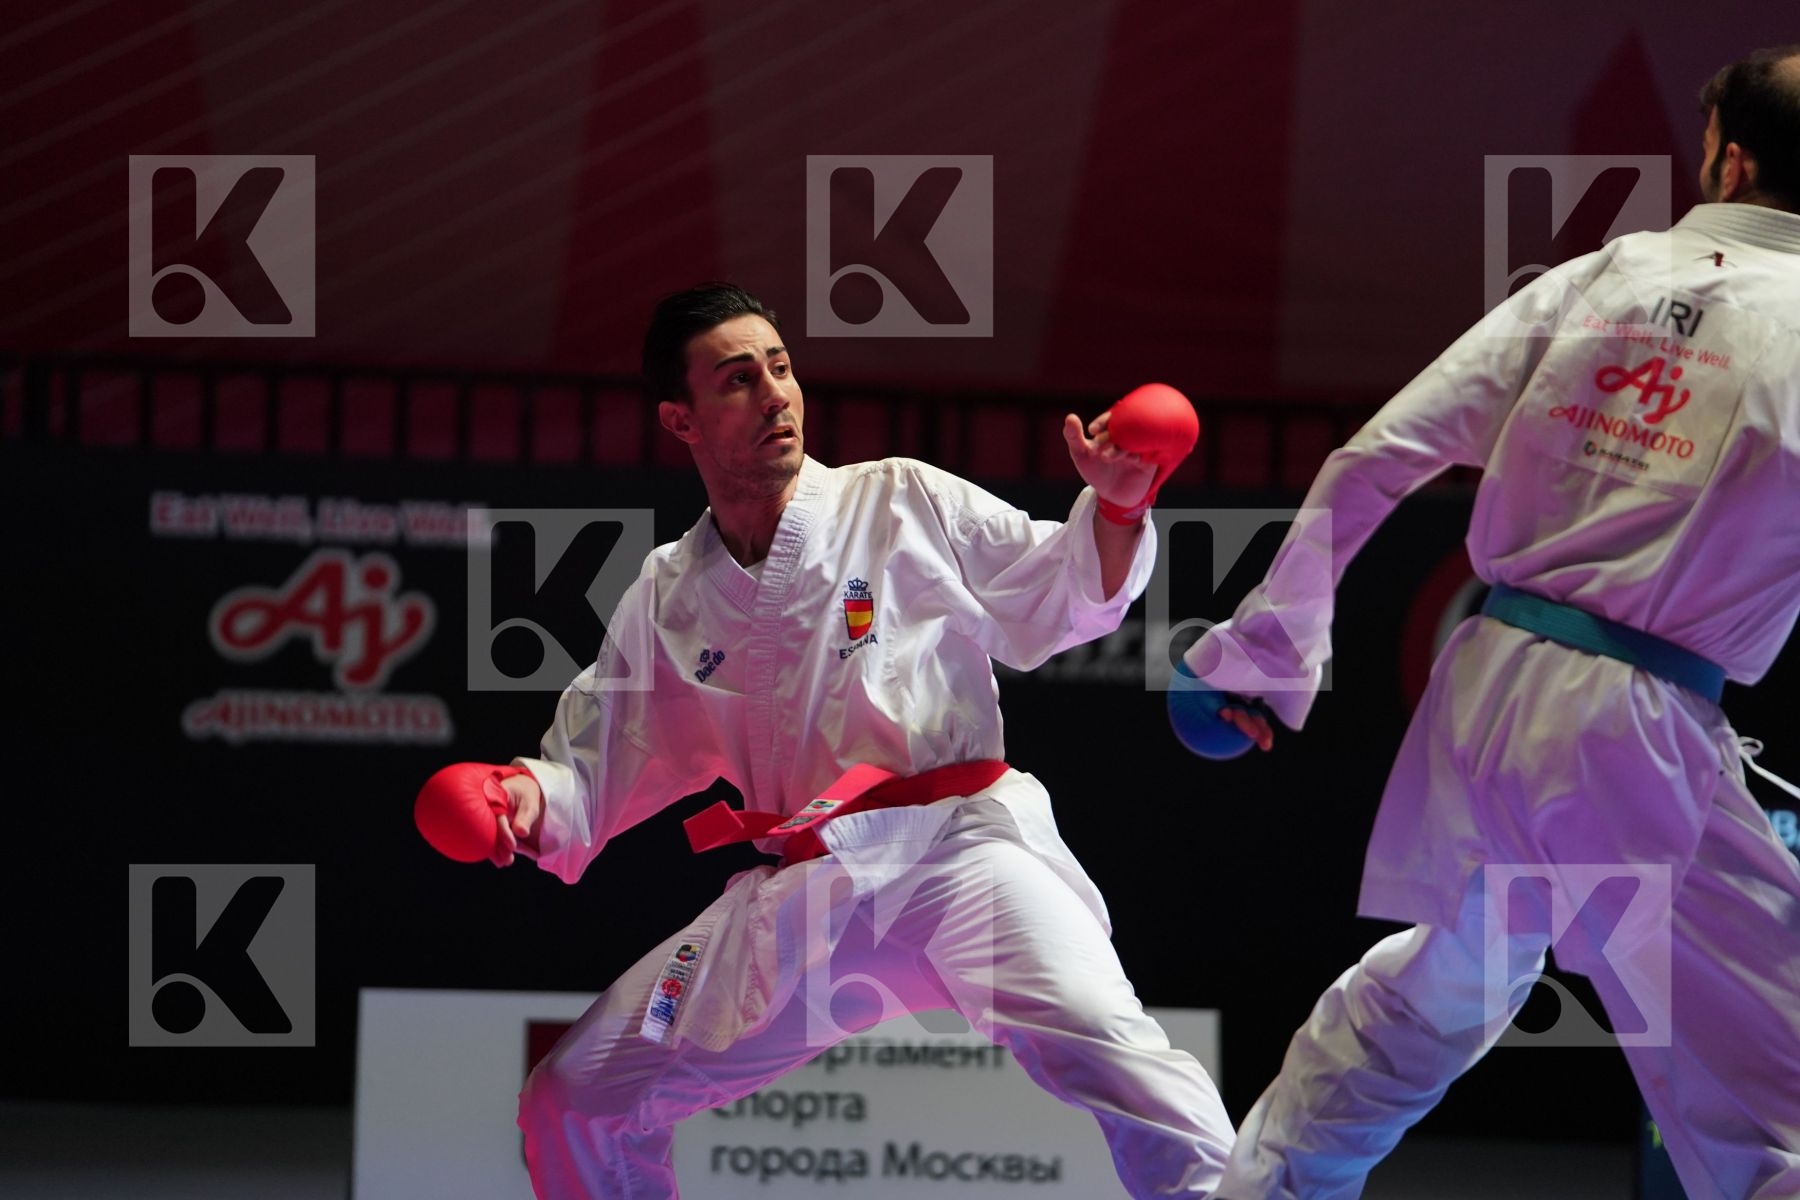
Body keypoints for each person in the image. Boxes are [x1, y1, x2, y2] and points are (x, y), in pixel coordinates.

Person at [1187, 45, 1800, 1200]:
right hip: (1635, 731)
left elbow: (1377, 457)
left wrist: (1269, 652)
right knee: (1774, 1105)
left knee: (1441, 990)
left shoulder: (1600, 275)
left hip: (1490, 691)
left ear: (1730, 156)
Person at [486, 282, 1235, 1197]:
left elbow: (1053, 591)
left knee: (1121, 1059)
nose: (774, 394)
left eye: (781, 367)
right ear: (680, 420)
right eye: (736, 380)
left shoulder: (897, 500)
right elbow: (594, 763)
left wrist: (1115, 513)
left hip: (958, 856)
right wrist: (525, 798)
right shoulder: (671, 593)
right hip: (805, 895)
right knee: (575, 1101)